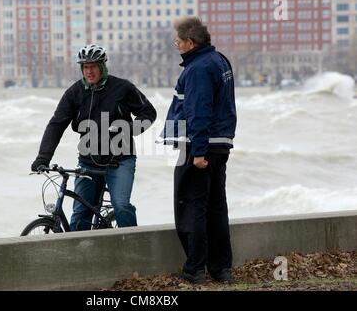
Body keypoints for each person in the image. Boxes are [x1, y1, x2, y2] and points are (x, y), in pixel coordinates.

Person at [31, 44, 157, 231]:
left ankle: (134, 249)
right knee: (80, 214)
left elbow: (149, 113)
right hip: (88, 162)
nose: (89, 71)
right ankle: (79, 257)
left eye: (93, 67)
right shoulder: (74, 93)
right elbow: (56, 124)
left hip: (119, 160)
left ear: (103, 66)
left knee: (121, 206)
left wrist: (128, 129)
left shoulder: (123, 88)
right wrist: (43, 157)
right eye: (85, 67)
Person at [161, 17, 237, 284]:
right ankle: (221, 269)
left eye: (178, 42)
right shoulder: (220, 60)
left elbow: (199, 112)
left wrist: (199, 152)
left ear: (190, 42)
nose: (177, 46)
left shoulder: (197, 69)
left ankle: (195, 270)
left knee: (191, 208)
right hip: (221, 145)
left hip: (199, 148)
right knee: (217, 208)